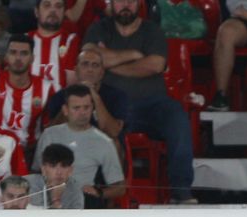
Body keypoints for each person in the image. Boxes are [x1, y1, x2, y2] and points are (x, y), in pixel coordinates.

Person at [83, 0, 196, 202]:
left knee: (177, 117)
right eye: (120, 1)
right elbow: (90, 59)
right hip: (111, 106)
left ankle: (181, 193)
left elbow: (155, 65)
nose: (125, 5)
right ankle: (104, 198)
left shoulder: (152, 31)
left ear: (139, 4)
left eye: (131, 1)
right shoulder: (99, 29)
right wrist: (134, 55)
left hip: (152, 105)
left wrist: (109, 64)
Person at [36, 85, 126, 207]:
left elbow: (120, 188)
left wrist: (99, 192)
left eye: (86, 107)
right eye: (76, 108)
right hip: (48, 197)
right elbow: (36, 172)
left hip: (83, 200)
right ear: (65, 110)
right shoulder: (49, 134)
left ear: (92, 108)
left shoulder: (104, 142)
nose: (82, 113)